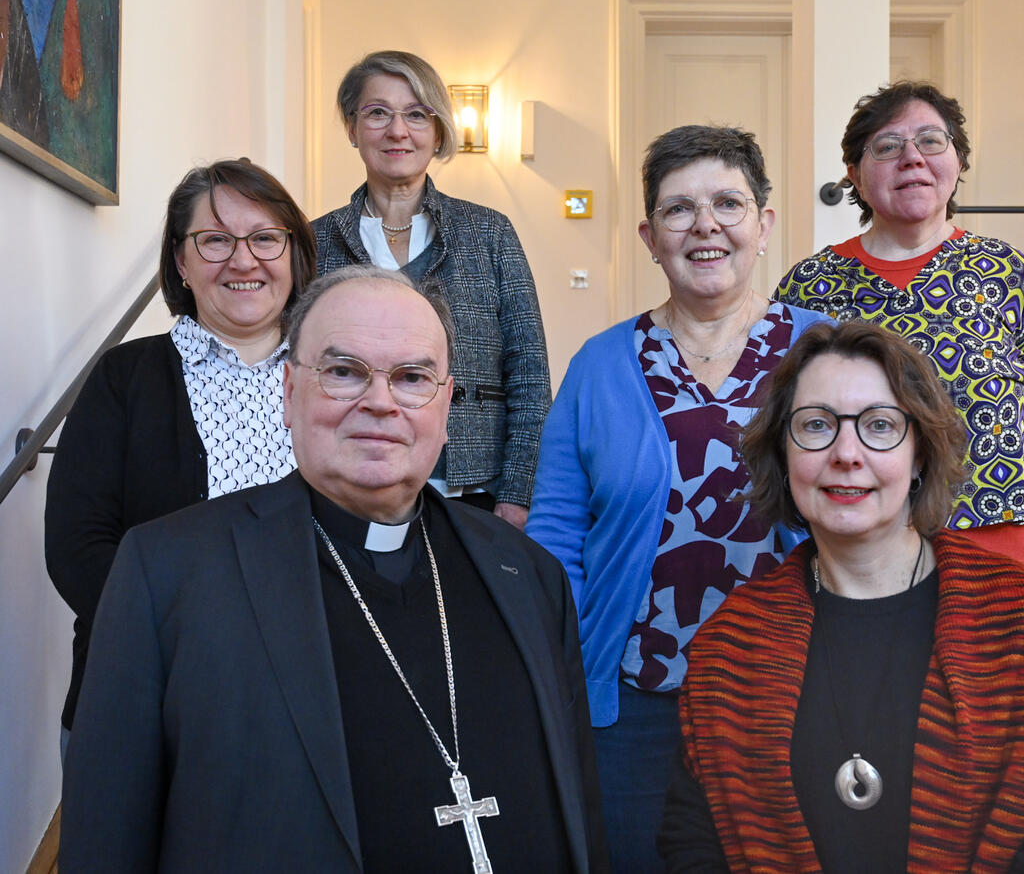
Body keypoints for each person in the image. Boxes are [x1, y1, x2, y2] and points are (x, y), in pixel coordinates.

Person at [60, 266, 607, 873]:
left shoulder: (527, 574)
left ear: (446, 406)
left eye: (412, 377)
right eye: (344, 373)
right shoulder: (168, 572)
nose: (380, 402)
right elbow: (106, 839)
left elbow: (579, 807)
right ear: (289, 393)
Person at [660, 321, 1024, 873]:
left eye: (879, 426)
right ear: (783, 453)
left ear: (920, 453)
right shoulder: (729, 647)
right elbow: (693, 849)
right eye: (815, 425)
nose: (846, 453)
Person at [527, 124, 831, 873]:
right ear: (648, 236)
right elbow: (557, 532)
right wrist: (565, 666)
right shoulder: (600, 366)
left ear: (763, 226)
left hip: (795, 689)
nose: (705, 226)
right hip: (635, 700)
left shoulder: (825, 354)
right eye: (678, 209)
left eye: (728, 203)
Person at [45, 158, 315, 742]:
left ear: (293, 254)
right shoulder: (124, 377)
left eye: (266, 238)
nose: (244, 260)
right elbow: (77, 545)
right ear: (180, 261)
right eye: (215, 240)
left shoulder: (335, 377)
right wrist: (184, 639)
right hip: (143, 693)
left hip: (307, 694)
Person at [778, 81, 1024, 571]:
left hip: (997, 551)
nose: (912, 157)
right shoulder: (810, 286)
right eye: (887, 146)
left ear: (958, 163)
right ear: (855, 176)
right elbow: (791, 421)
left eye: (931, 141)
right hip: (861, 555)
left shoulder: (1007, 272)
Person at [313, 49, 550, 530]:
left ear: (438, 130)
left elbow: (529, 378)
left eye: (417, 114)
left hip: (473, 493)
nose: (397, 131)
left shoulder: (490, 233)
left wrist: (517, 495)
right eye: (378, 112)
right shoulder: (315, 241)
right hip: (346, 489)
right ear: (352, 128)